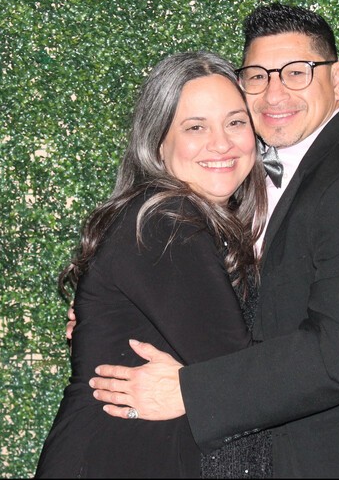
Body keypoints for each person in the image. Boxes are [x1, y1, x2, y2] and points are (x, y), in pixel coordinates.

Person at [88, 3, 339, 478]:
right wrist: (112, 320)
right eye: (257, 76)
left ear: (337, 77)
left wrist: (189, 391)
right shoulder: (230, 175)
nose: (274, 93)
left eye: (297, 73)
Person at [35, 51, 273, 478]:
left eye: (236, 122)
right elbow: (240, 378)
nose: (221, 143)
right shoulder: (165, 222)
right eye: (195, 127)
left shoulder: (184, 221)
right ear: (159, 144)